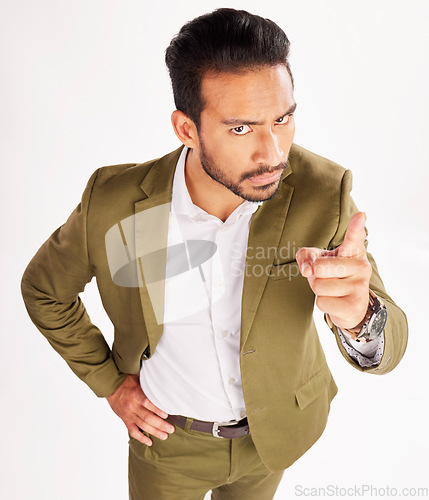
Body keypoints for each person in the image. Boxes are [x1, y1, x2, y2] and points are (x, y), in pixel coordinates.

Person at [21, 8, 408, 500]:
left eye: (283, 118)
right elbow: (44, 291)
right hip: (167, 445)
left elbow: (392, 344)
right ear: (186, 128)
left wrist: (360, 316)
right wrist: (110, 383)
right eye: (242, 129)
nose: (273, 152)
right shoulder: (117, 204)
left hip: (274, 439)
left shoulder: (322, 191)